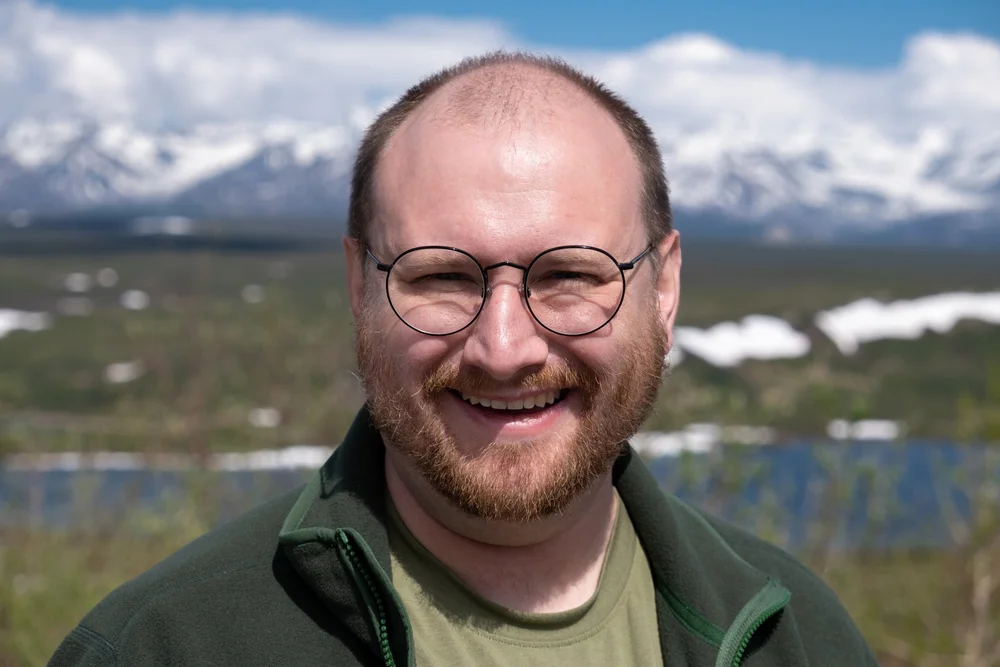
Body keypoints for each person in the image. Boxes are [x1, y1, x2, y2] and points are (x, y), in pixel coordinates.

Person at [49, 51, 878, 667]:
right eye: (442, 276)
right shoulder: (164, 648)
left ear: (663, 291)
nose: (504, 348)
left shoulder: (798, 636)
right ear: (359, 286)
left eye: (570, 275)